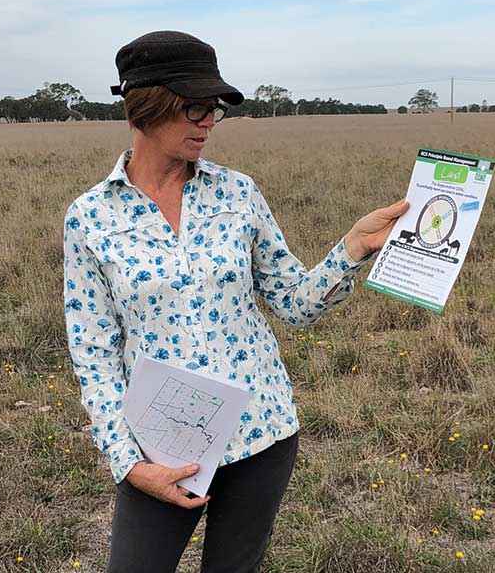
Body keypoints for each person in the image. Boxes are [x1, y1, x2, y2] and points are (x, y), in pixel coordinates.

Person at [62, 30, 408, 573]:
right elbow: (93, 353)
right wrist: (128, 463)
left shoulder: (238, 193)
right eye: (194, 107)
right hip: (162, 447)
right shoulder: (89, 217)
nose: (207, 122)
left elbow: (293, 302)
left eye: (214, 109)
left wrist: (353, 247)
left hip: (262, 432)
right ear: (144, 107)